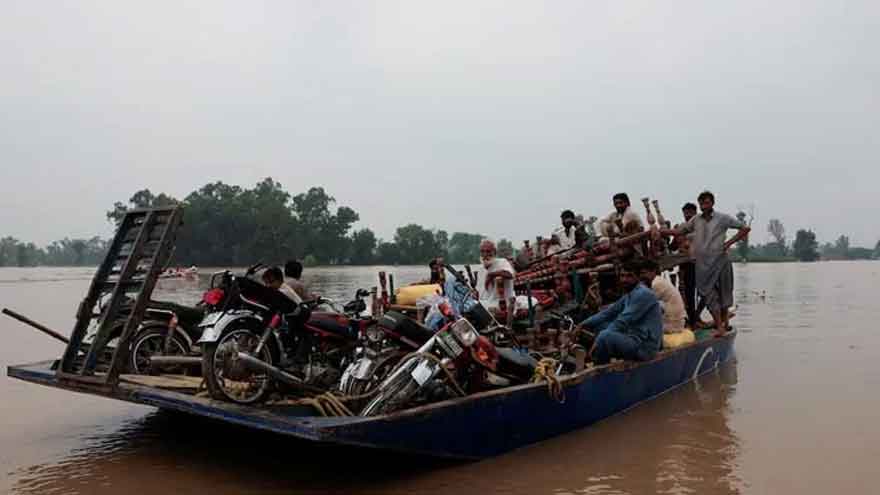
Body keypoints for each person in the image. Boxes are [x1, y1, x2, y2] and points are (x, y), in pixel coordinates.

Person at [665, 191, 750, 336]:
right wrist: (661, 231)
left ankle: (723, 324)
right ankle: (720, 326)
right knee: (708, 295)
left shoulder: (723, 218)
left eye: (706, 202)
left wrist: (728, 243)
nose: (704, 205)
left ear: (712, 203)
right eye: (702, 203)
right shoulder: (696, 220)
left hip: (721, 261)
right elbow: (680, 231)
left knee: (724, 294)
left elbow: (745, 228)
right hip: (703, 264)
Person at [577, 261, 663, 365]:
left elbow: (622, 321)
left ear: (637, 277)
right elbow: (607, 313)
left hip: (645, 347)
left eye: (629, 276)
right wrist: (582, 325)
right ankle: (598, 358)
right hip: (633, 338)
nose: (625, 280)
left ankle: (599, 366)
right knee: (599, 326)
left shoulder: (643, 294)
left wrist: (598, 341)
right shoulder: (630, 294)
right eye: (622, 276)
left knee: (605, 336)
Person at [638, 259, 686, 333]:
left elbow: (645, 305)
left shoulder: (656, 284)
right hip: (674, 321)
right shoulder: (657, 281)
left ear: (653, 271)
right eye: (640, 273)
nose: (642, 276)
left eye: (644, 273)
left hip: (673, 325)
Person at [674, 202, 699, 327]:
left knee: (704, 293)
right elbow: (672, 246)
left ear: (695, 213)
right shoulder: (681, 227)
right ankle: (692, 319)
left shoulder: (701, 226)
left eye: (690, 213)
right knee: (687, 292)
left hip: (700, 263)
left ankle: (696, 317)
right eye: (685, 213)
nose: (687, 215)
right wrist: (674, 234)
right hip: (685, 264)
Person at [478, 239, 516, 322]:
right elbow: (479, 291)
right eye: (482, 251)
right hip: (485, 303)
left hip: (502, 304)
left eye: (488, 251)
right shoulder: (481, 269)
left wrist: (491, 274)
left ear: (494, 252)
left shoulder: (502, 262)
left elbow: (510, 275)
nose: (485, 254)